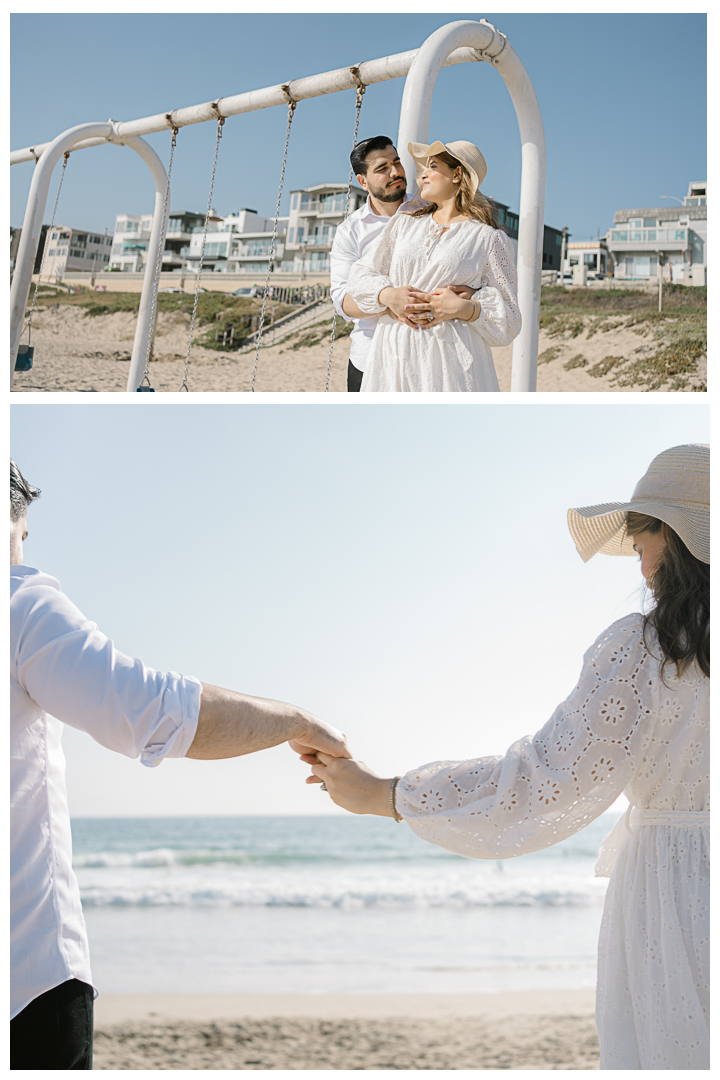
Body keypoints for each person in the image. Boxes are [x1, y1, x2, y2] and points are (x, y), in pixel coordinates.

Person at [302, 444, 710, 1070]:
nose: (635, 552)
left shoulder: (647, 652)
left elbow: (542, 781)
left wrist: (389, 795)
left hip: (681, 896)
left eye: (639, 531)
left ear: (675, 536)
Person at [9, 459, 349, 1070]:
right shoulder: (21, 607)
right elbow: (154, 712)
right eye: (23, 535)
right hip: (24, 980)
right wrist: (295, 722)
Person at [346, 140, 521, 392]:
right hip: (394, 354)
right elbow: (361, 273)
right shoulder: (404, 223)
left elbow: (511, 320)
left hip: (451, 366)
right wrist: (388, 295)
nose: (423, 174)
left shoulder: (489, 239)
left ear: (457, 175)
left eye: (433, 166)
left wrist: (466, 308)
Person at [329, 135, 477, 392]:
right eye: (382, 169)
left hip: (432, 356)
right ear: (362, 181)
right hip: (369, 357)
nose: (395, 172)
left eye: (396, 162)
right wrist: (387, 300)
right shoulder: (349, 231)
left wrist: (472, 295)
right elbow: (343, 300)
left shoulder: (435, 207)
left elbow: (469, 266)